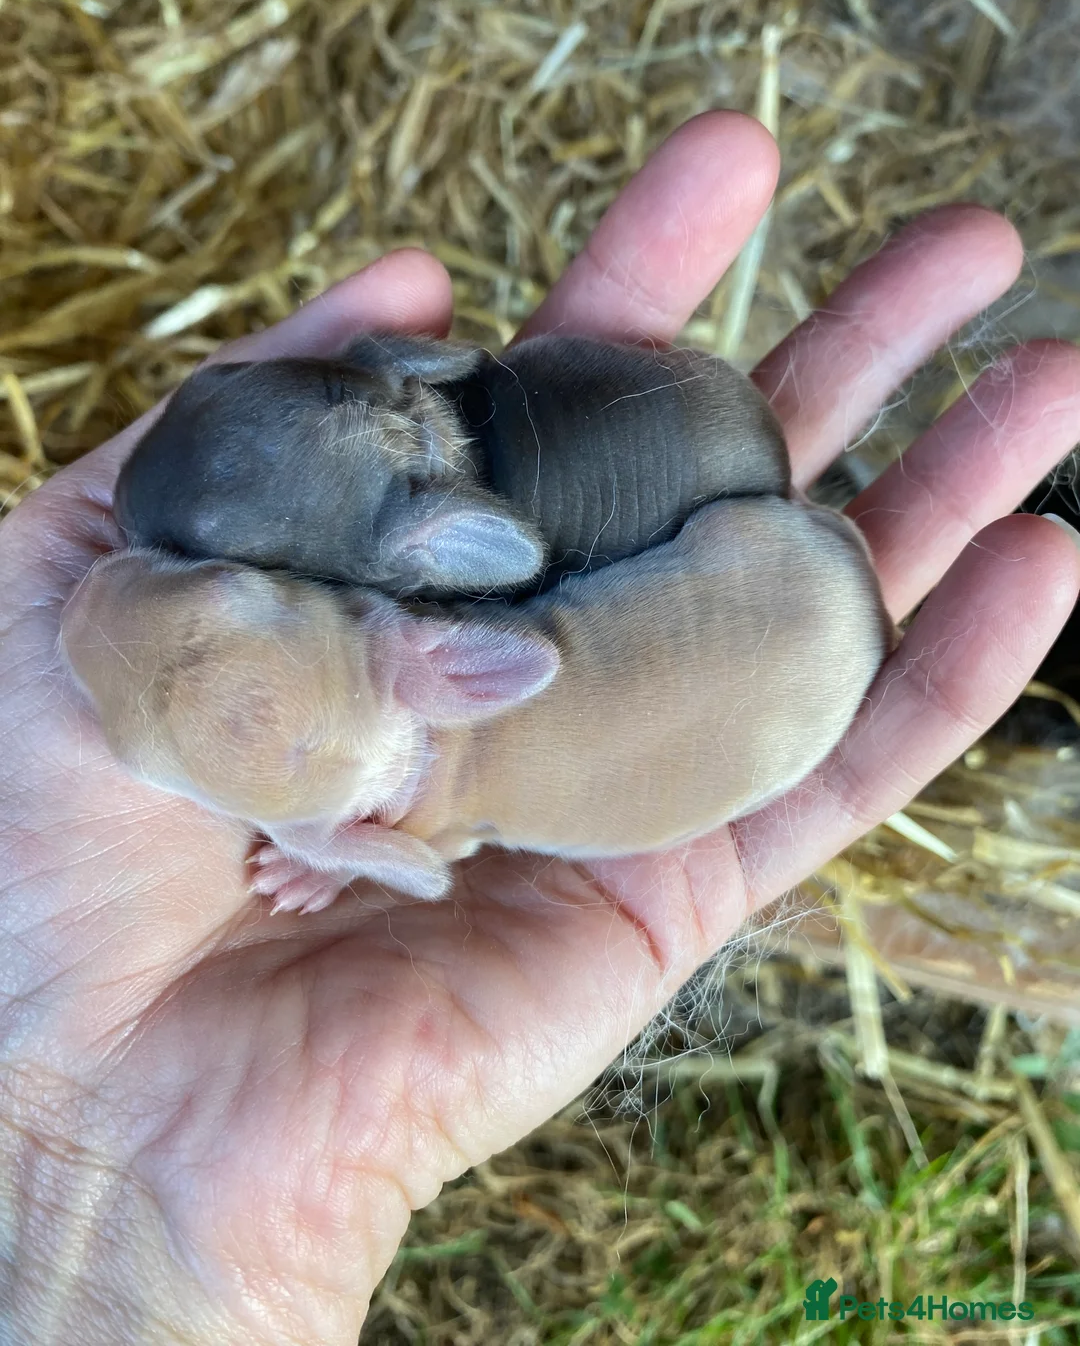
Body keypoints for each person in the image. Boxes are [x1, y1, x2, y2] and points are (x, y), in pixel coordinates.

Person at [0, 111, 1077, 1344]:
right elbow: (409, 840)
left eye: (222, 586)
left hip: (767, 592)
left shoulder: (392, 795)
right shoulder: (404, 716)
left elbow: (412, 847)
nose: (99, 597)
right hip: (772, 594)